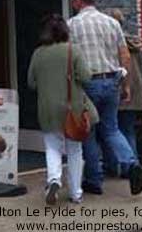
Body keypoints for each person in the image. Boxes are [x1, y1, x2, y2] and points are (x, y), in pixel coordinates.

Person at [67, 0, 142, 196]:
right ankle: (131, 163)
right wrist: (125, 84)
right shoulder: (111, 23)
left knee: (89, 132)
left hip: (87, 84)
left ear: (77, 1)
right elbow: (125, 56)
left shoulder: (72, 25)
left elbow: (69, 59)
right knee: (111, 128)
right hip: (111, 81)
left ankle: (94, 180)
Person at [28, 14, 98, 205]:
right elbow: (86, 77)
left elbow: (31, 83)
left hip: (46, 109)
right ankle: (76, 193)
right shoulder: (72, 50)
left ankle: (54, 180)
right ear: (65, 30)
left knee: (52, 147)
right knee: (75, 150)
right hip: (71, 108)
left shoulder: (38, 53)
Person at [102, 9, 142, 177]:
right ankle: (132, 166)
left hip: (120, 90)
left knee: (110, 130)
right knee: (128, 130)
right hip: (136, 93)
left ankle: (114, 166)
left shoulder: (113, 45)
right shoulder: (134, 43)